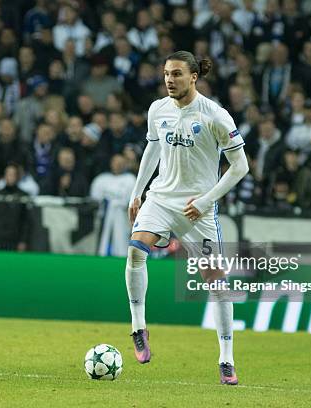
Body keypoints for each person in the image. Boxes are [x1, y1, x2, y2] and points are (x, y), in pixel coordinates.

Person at [125, 51, 248, 385]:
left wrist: (207, 199)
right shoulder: (157, 109)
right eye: (166, 74)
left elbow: (241, 166)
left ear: (194, 76)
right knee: (136, 252)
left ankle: (226, 359)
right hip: (161, 198)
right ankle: (138, 328)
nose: (169, 80)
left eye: (177, 74)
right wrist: (138, 192)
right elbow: (152, 148)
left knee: (216, 284)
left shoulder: (215, 115)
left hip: (199, 208)